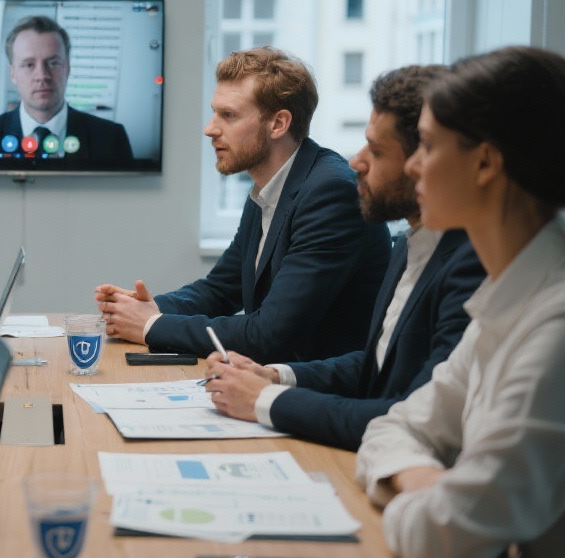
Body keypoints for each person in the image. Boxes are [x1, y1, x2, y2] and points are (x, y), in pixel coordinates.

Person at [355, 46, 565, 558]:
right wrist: (427, 481)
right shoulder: (515, 296)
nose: (411, 165)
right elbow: (394, 425)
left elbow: (445, 546)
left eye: (426, 145)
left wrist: (426, 498)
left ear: (486, 162)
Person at [202, 65, 485, 450]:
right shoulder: (408, 244)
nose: (357, 162)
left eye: (378, 150)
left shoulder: (471, 264)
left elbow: (408, 415)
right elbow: (374, 367)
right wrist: (275, 377)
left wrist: (264, 399)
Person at [96, 46, 390, 363]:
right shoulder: (271, 184)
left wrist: (152, 325)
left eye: (229, 115)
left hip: (319, 392)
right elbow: (220, 290)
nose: (210, 129)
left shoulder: (330, 194)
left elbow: (269, 334)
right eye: (214, 112)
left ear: (278, 124)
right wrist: (145, 309)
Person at [0, 15, 133, 164]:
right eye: (29, 64)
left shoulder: (112, 138)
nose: (42, 75)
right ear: (13, 73)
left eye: (53, 63)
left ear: (68, 69)